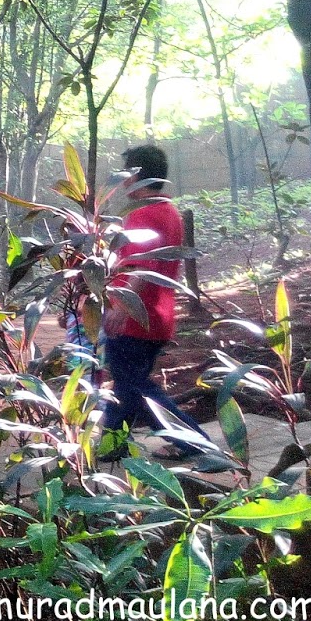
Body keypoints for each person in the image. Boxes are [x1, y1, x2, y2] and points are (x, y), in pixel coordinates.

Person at [101, 144, 207, 445]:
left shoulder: (143, 215)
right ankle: (111, 448)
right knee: (126, 387)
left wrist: (120, 308)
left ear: (137, 176)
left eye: (126, 175)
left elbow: (139, 268)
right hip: (158, 317)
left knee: (137, 389)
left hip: (134, 321)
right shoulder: (169, 212)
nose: (122, 183)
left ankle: (196, 444)